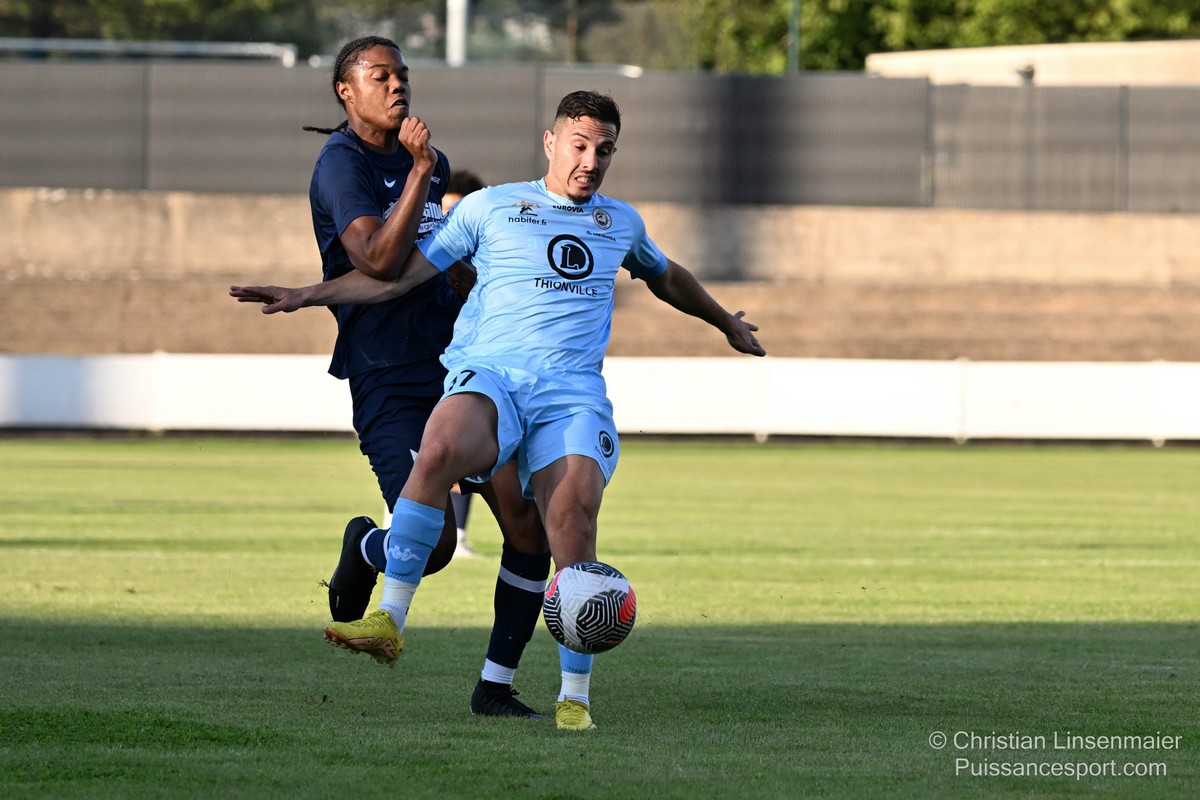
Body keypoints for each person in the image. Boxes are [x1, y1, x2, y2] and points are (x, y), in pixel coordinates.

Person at [234, 90, 766, 730]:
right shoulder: (489, 207)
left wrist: (724, 322)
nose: (590, 161)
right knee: (440, 447)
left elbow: (667, 275)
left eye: (604, 150)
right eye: (579, 145)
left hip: (571, 397)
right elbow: (399, 276)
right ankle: (389, 620)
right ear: (550, 142)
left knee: (569, 530)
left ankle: (574, 699)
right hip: (492, 376)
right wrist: (308, 293)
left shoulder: (619, 222)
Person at [230, 36, 550, 720]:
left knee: (528, 524)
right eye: (381, 76)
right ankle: (367, 546)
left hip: (464, 367)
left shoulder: (426, 161)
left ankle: (495, 688)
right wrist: (420, 171)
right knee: (433, 546)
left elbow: (431, 258)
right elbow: (377, 260)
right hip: (389, 375)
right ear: (346, 91)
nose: (398, 84)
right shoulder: (342, 163)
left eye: (402, 74)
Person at [440, 169, 487, 560]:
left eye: (456, 211)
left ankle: (457, 534)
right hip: (432, 358)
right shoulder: (426, 255)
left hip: (473, 360)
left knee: (465, 448)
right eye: (443, 210)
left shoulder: (489, 259)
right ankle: (398, 522)